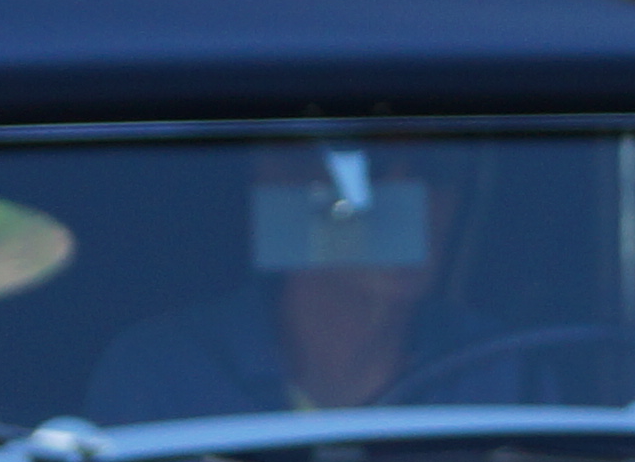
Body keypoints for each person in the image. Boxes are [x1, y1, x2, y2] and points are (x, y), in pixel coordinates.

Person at [82, 144, 458, 422]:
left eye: (434, 175)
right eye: (372, 174)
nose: (418, 208)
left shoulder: (498, 365)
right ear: (286, 191)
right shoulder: (164, 372)